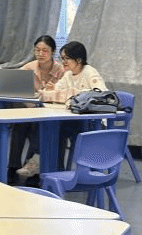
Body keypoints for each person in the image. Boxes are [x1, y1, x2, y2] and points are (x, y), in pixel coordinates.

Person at [21, 40, 108, 181]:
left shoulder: (89, 72)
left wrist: (69, 93)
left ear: (78, 60)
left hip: (91, 122)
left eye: (67, 58)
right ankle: (48, 168)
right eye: (62, 58)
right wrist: (51, 89)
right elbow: (56, 90)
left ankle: (45, 166)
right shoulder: (68, 75)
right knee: (45, 124)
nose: (63, 62)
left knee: (56, 128)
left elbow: (100, 93)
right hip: (72, 119)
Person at [10, 35, 65, 178]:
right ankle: (13, 167)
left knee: (38, 124)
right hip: (31, 109)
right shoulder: (29, 67)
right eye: (37, 50)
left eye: (45, 50)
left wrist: (53, 90)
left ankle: (33, 167)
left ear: (53, 52)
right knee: (19, 125)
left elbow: (64, 94)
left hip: (52, 113)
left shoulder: (61, 70)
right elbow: (13, 84)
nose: (40, 54)